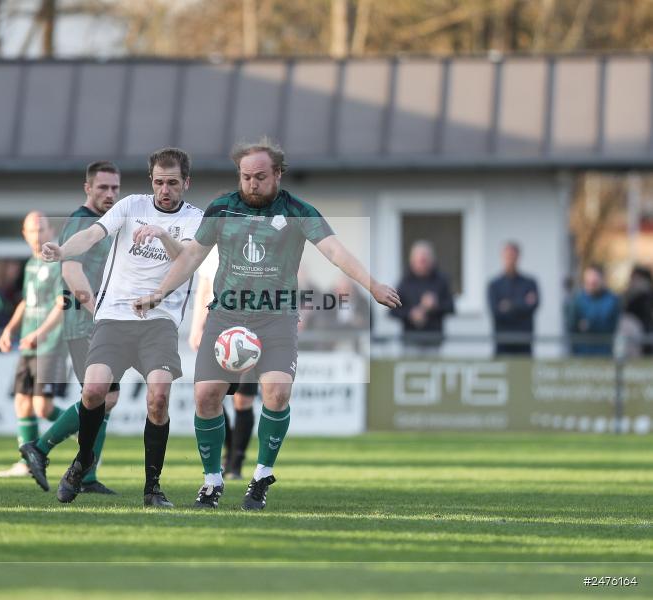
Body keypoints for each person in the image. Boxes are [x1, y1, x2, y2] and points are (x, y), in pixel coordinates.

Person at [133, 138, 400, 510]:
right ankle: (212, 482)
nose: (252, 184)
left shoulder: (298, 211)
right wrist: (160, 292)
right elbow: (193, 255)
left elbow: (335, 251)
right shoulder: (222, 208)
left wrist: (373, 285)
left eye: (259, 177)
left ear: (277, 174)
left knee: (277, 392)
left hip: (276, 316)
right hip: (225, 315)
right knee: (205, 396)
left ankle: (260, 476)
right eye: (245, 177)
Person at [26, 148, 204, 508]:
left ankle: (152, 488)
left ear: (186, 183)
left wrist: (161, 234)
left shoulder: (195, 218)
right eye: (158, 182)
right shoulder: (131, 205)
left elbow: (185, 259)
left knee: (158, 398)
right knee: (94, 392)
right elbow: (92, 234)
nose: (164, 190)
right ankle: (81, 463)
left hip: (159, 321)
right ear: (151, 180)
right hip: (114, 317)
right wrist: (63, 250)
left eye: (172, 183)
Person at [19, 161, 123, 496]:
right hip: (84, 323)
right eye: (102, 187)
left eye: (115, 188)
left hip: (99, 322)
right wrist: (98, 311)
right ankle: (40, 447)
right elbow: (71, 271)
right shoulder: (81, 220)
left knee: (105, 400)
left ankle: (87, 476)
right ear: (88, 188)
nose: (110, 193)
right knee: (101, 397)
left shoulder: (104, 223)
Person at [0, 212, 68, 478]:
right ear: (25, 235)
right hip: (28, 344)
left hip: (50, 345)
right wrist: (9, 329)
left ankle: (86, 432)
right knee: (22, 403)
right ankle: (27, 462)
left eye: (41, 229)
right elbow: (26, 302)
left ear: (50, 232)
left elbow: (63, 303)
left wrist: (40, 333)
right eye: (32, 230)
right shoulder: (31, 264)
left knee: (43, 408)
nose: (37, 235)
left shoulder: (59, 262)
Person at [188, 247, 257, 480]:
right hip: (216, 326)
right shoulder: (213, 249)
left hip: (250, 328)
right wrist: (196, 328)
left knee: (243, 398)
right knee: (212, 395)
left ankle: (236, 461)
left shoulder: (256, 245)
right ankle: (228, 451)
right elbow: (204, 289)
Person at [389, 241, 454, 356]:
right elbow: (392, 311)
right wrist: (410, 314)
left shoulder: (441, 281)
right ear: (412, 261)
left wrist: (436, 305)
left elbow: (451, 307)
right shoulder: (404, 282)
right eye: (420, 261)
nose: (422, 264)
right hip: (410, 339)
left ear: (432, 260)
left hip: (434, 339)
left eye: (425, 261)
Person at [487, 241, 540, 356]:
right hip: (502, 342)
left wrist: (508, 306)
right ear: (502, 257)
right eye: (508, 257)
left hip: (524, 342)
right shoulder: (494, 285)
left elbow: (533, 306)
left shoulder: (529, 283)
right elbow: (496, 312)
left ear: (518, 257)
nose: (510, 260)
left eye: (513, 256)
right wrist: (522, 304)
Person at [567, 265, 620, 356]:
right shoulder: (578, 300)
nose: (591, 284)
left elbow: (611, 326)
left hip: (604, 353)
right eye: (588, 282)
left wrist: (589, 325)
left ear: (602, 280)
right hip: (581, 353)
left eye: (594, 282)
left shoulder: (612, 300)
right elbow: (571, 325)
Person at [621, 266, 653, 357]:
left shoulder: (649, 295)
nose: (636, 282)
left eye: (639, 279)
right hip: (634, 333)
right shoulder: (628, 296)